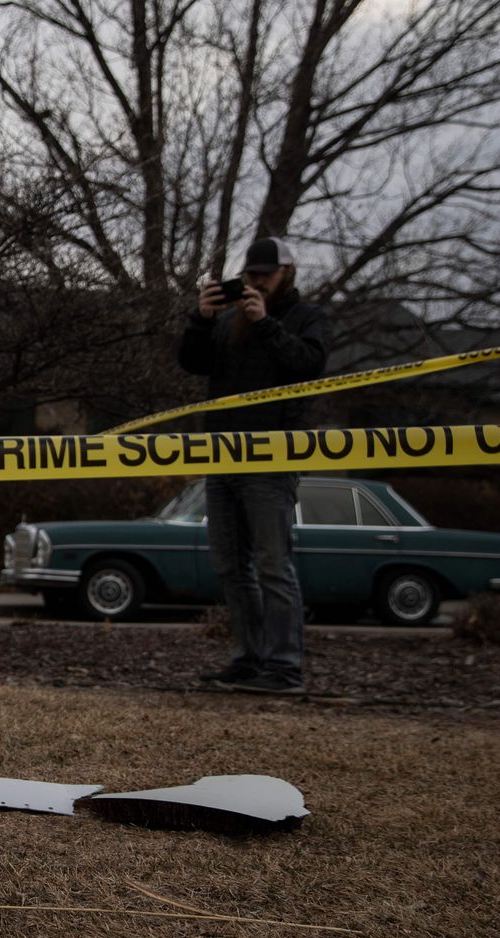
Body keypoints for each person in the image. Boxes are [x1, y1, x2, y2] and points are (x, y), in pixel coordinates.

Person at [177, 237, 329, 694]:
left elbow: (308, 366)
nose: (255, 281)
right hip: (222, 453)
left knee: (273, 564)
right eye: (250, 274)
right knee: (229, 565)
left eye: (265, 274)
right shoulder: (227, 320)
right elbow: (192, 363)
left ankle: (283, 667)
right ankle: (250, 658)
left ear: (287, 272)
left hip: (272, 455)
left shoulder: (306, 318)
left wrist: (266, 324)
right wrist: (200, 321)